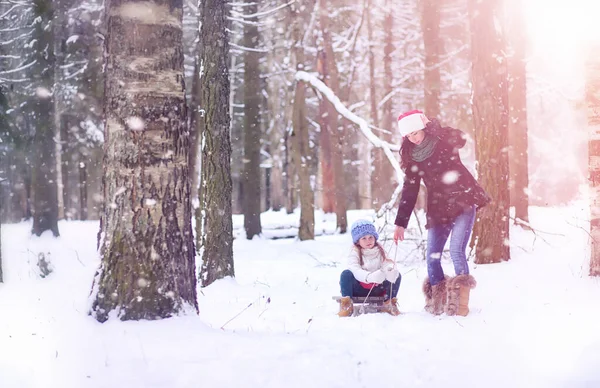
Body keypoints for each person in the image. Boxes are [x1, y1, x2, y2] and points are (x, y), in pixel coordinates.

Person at [393, 110, 490, 316]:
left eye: (417, 133)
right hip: (438, 208)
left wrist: (436, 127)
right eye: (409, 136)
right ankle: (438, 301)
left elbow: (461, 139)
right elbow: (409, 192)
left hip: (462, 199)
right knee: (432, 257)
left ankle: (460, 303)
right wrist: (400, 223)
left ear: (424, 128)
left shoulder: (442, 140)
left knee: (456, 250)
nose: (414, 138)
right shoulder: (413, 159)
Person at [338, 219, 401, 317]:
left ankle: (389, 302)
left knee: (397, 275)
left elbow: (387, 263)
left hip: (378, 289)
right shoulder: (354, 251)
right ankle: (347, 304)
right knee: (346, 274)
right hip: (360, 289)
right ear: (357, 241)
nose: (368, 240)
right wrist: (369, 277)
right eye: (364, 238)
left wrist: (389, 271)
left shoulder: (380, 250)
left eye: (371, 237)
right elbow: (355, 269)